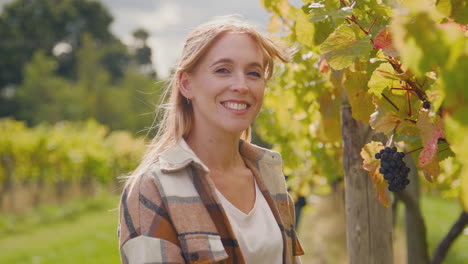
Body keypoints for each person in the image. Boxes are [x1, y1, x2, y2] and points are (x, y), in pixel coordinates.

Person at [118, 16, 304, 264]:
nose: (241, 85)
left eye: (254, 73)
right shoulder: (153, 188)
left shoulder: (270, 175)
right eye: (222, 70)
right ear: (186, 84)